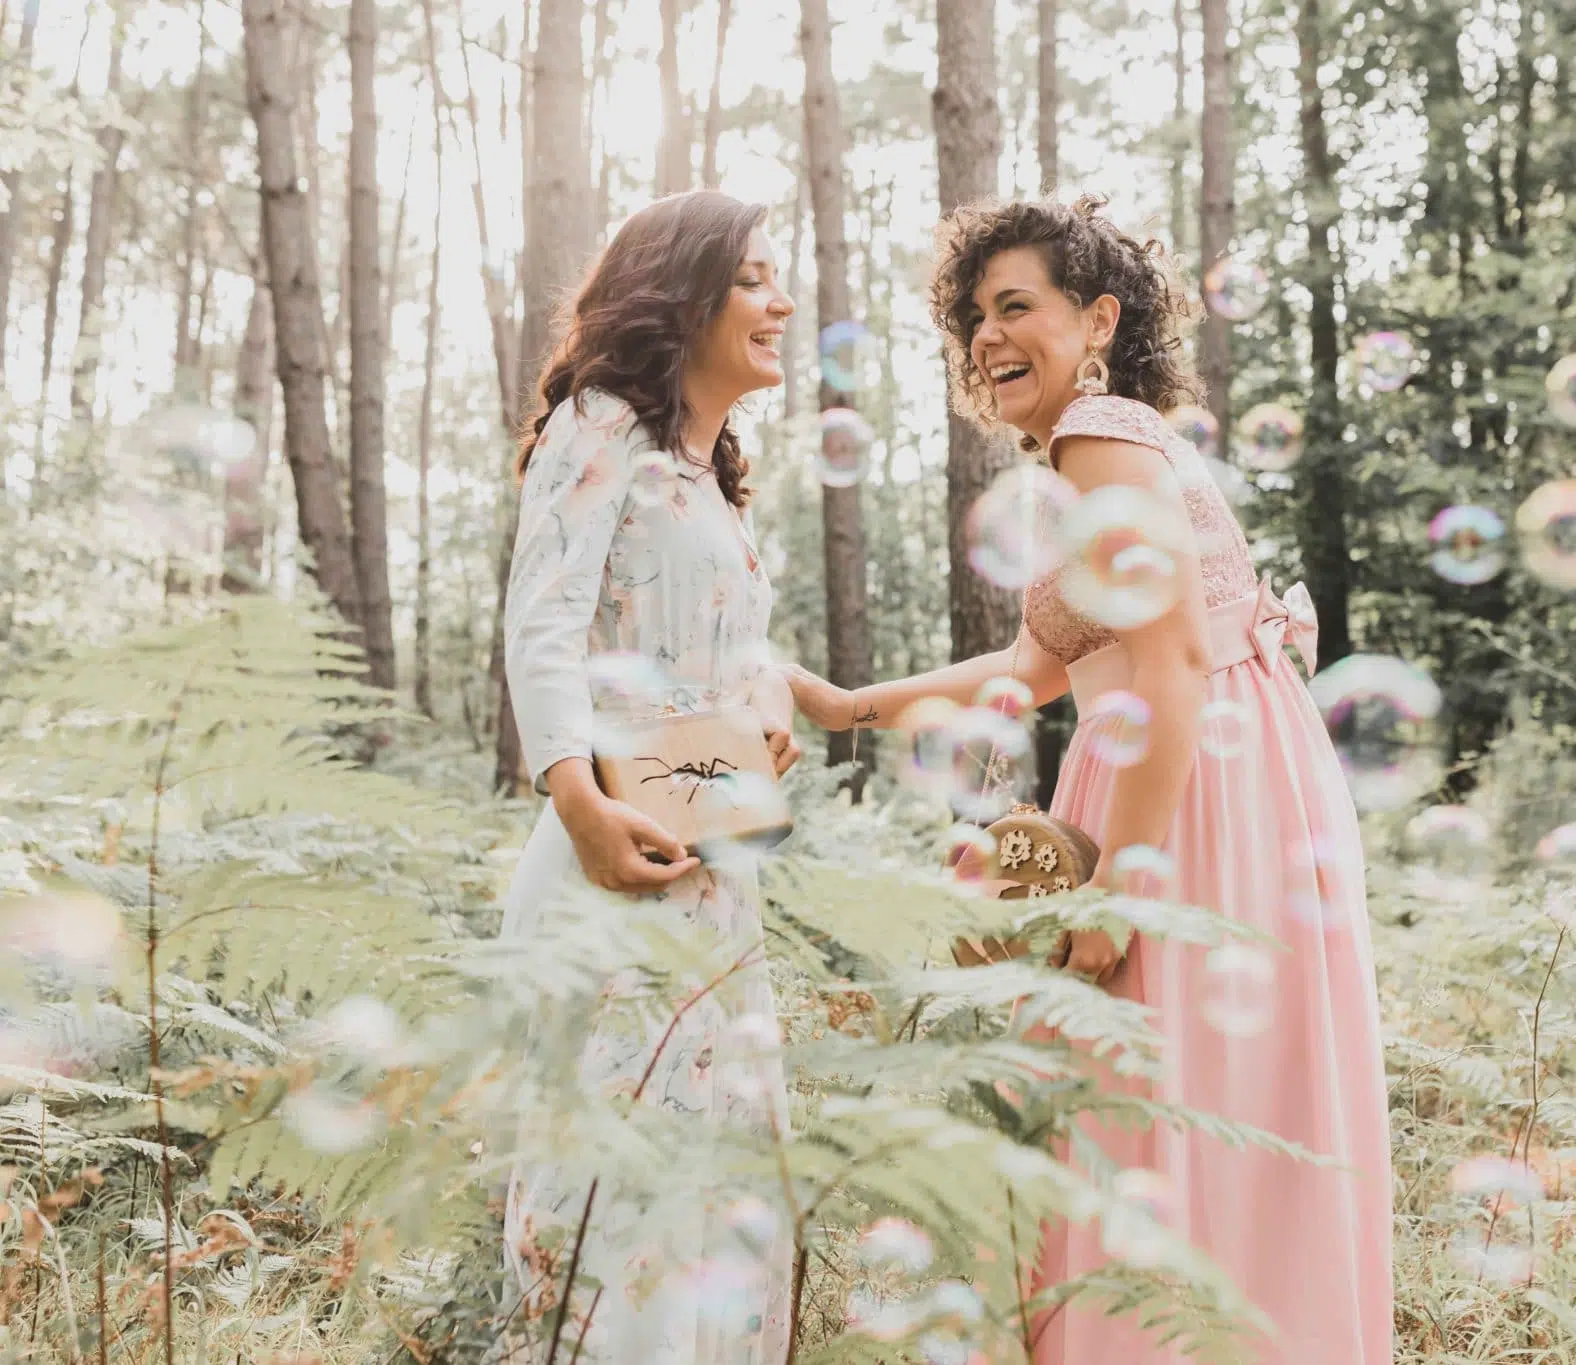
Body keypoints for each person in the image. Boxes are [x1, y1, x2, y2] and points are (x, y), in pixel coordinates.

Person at [783, 196, 1395, 1363]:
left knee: (1144, 1107)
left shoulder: (1098, 432)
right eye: (973, 317)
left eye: (1015, 306)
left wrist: (1122, 887)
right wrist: (846, 706)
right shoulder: (1104, 448)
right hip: (1200, 770)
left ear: (1098, 320)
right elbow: (1033, 668)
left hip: (1186, 787)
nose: (986, 336)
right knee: (1194, 1111)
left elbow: (1169, 662)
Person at [496, 190, 802, 1363]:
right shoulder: (600, 424)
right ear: (684, 296)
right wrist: (576, 800)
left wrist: (762, 707)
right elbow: (544, 619)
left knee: (717, 1194)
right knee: (612, 1199)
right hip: (609, 857)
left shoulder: (708, 474)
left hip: (713, 869)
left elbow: (725, 649)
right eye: (753, 279)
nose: (781, 302)